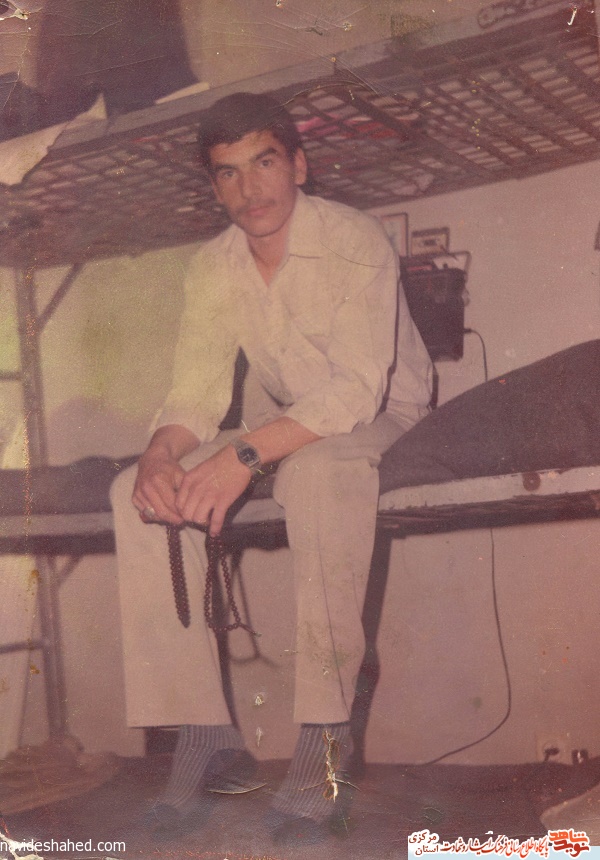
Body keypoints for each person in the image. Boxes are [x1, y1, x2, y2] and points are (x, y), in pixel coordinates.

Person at [110, 91, 432, 844]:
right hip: (291, 420)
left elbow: (355, 391)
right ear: (214, 186)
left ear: (299, 166)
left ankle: (324, 743)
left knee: (316, 474)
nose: (249, 189)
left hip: (385, 412)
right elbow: (193, 393)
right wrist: (159, 454)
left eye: (264, 164)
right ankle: (204, 737)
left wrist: (244, 456)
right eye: (227, 173)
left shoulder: (353, 238)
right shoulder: (213, 265)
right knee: (132, 490)